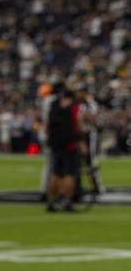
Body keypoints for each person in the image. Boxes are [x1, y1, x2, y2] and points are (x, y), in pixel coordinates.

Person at [46, 84, 83, 212]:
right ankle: (67, 201)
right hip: (69, 144)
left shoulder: (53, 105)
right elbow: (78, 124)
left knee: (55, 173)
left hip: (55, 143)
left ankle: (51, 201)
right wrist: (81, 140)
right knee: (69, 174)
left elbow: (48, 124)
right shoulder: (74, 107)